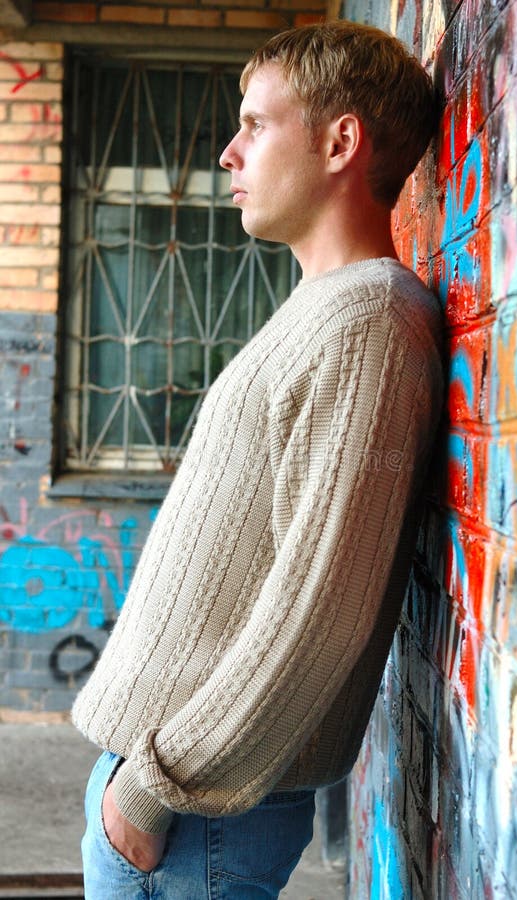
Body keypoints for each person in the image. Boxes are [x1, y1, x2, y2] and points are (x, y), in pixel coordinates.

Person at [73, 20, 444, 898]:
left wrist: (151, 791)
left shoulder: (367, 324)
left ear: (339, 141)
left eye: (255, 123)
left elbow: (321, 608)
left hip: (196, 806)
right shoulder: (327, 309)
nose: (230, 153)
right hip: (179, 792)